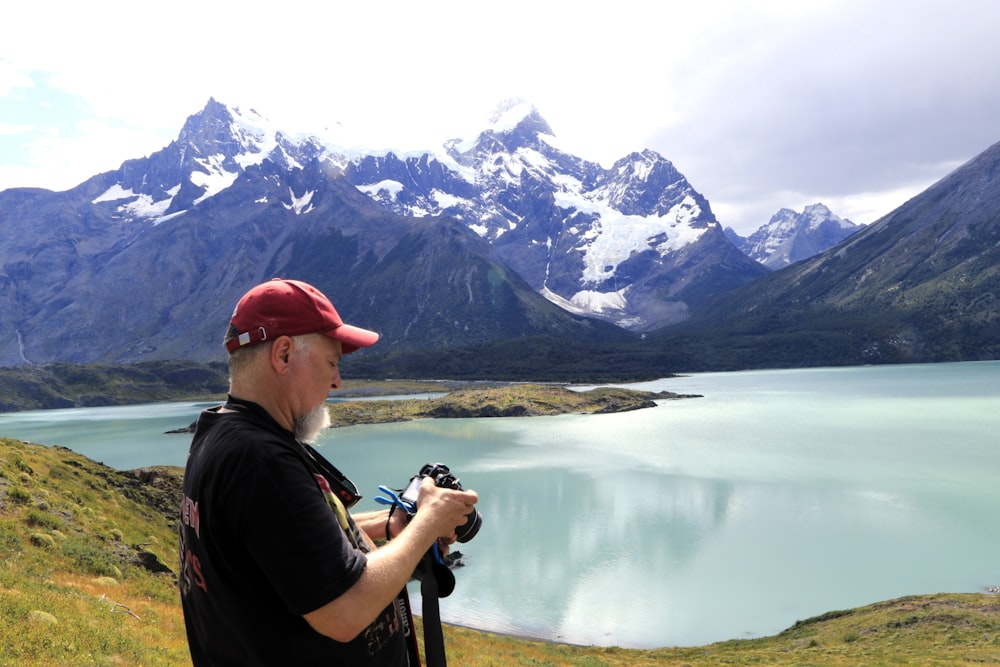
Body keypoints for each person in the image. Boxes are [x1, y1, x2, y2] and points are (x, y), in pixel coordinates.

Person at [179, 277, 478, 666]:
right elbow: (345, 611)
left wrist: (390, 524)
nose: (337, 381)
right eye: (332, 362)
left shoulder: (222, 434)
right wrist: (430, 521)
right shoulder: (260, 460)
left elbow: (290, 540)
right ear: (283, 354)